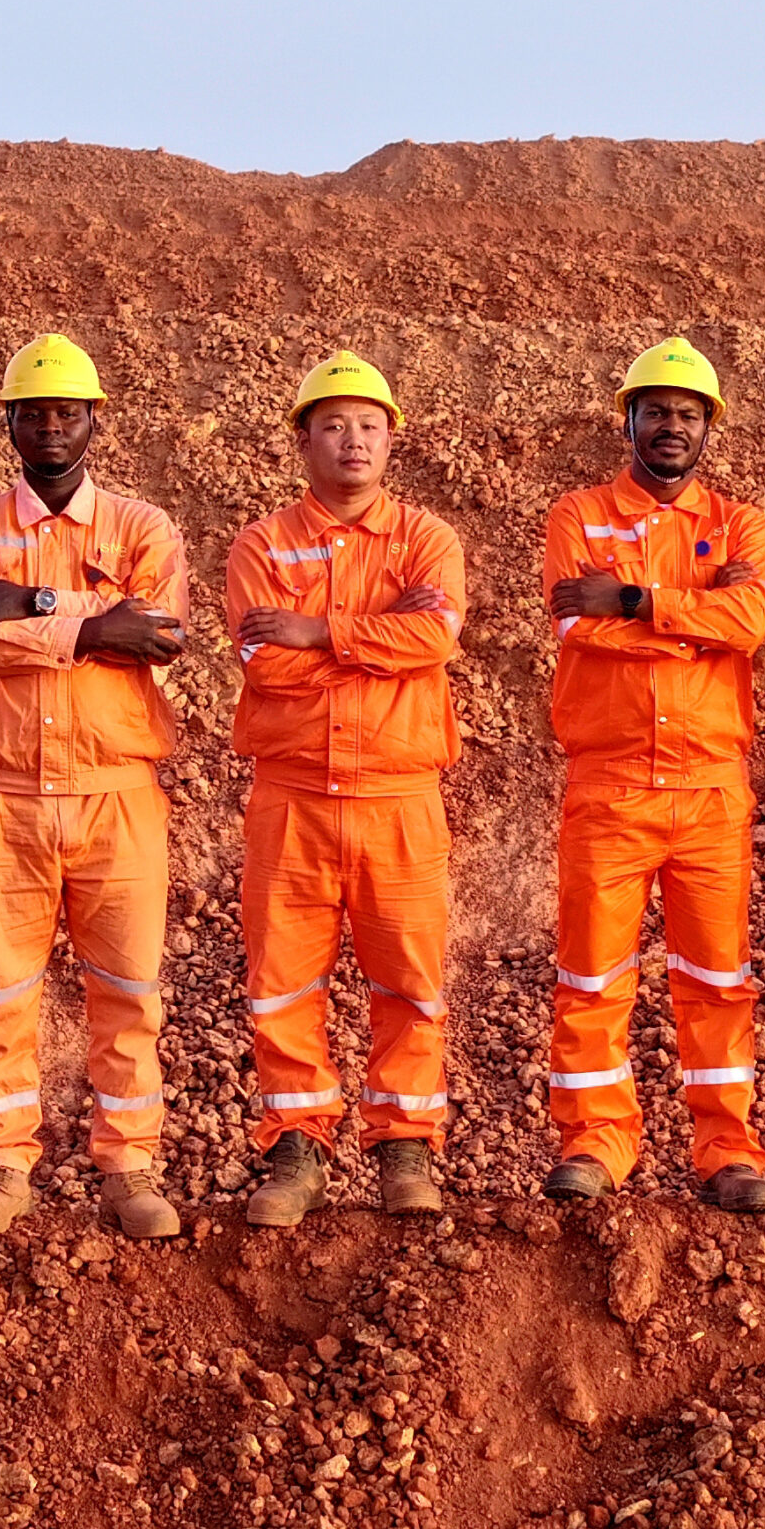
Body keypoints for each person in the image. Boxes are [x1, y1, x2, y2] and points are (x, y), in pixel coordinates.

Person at [0, 333, 192, 1238]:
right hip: (2, 792)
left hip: (117, 791)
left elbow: (159, 632)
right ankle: (3, 1168)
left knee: (128, 991)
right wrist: (92, 625)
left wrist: (33, 602)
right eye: (34, 412)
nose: (51, 426)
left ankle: (129, 1168)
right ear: (8, 422)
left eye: (67, 411)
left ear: (93, 421)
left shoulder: (143, 528)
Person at [539, 337, 765, 1211]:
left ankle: (728, 1152)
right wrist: (700, 613)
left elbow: (750, 622)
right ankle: (594, 1143)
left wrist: (637, 601)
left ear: (707, 426)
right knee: (593, 973)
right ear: (629, 422)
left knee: (718, 979)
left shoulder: (745, 525)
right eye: (656, 411)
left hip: (710, 784)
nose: (671, 425)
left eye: (687, 413)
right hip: (610, 782)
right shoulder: (578, 515)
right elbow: (580, 627)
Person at [223, 352, 468, 1226]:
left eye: (367, 425)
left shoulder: (429, 540)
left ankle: (406, 1150)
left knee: (409, 980)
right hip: (292, 796)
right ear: (303, 441)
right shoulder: (262, 544)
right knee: (285, 981)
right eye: (332, 425)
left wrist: (320, 630)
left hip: (399, 795)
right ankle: (297, 1148)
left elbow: (435, 639)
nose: (352, 440)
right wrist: (377, 639)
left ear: (391, 438)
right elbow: (266, 663)